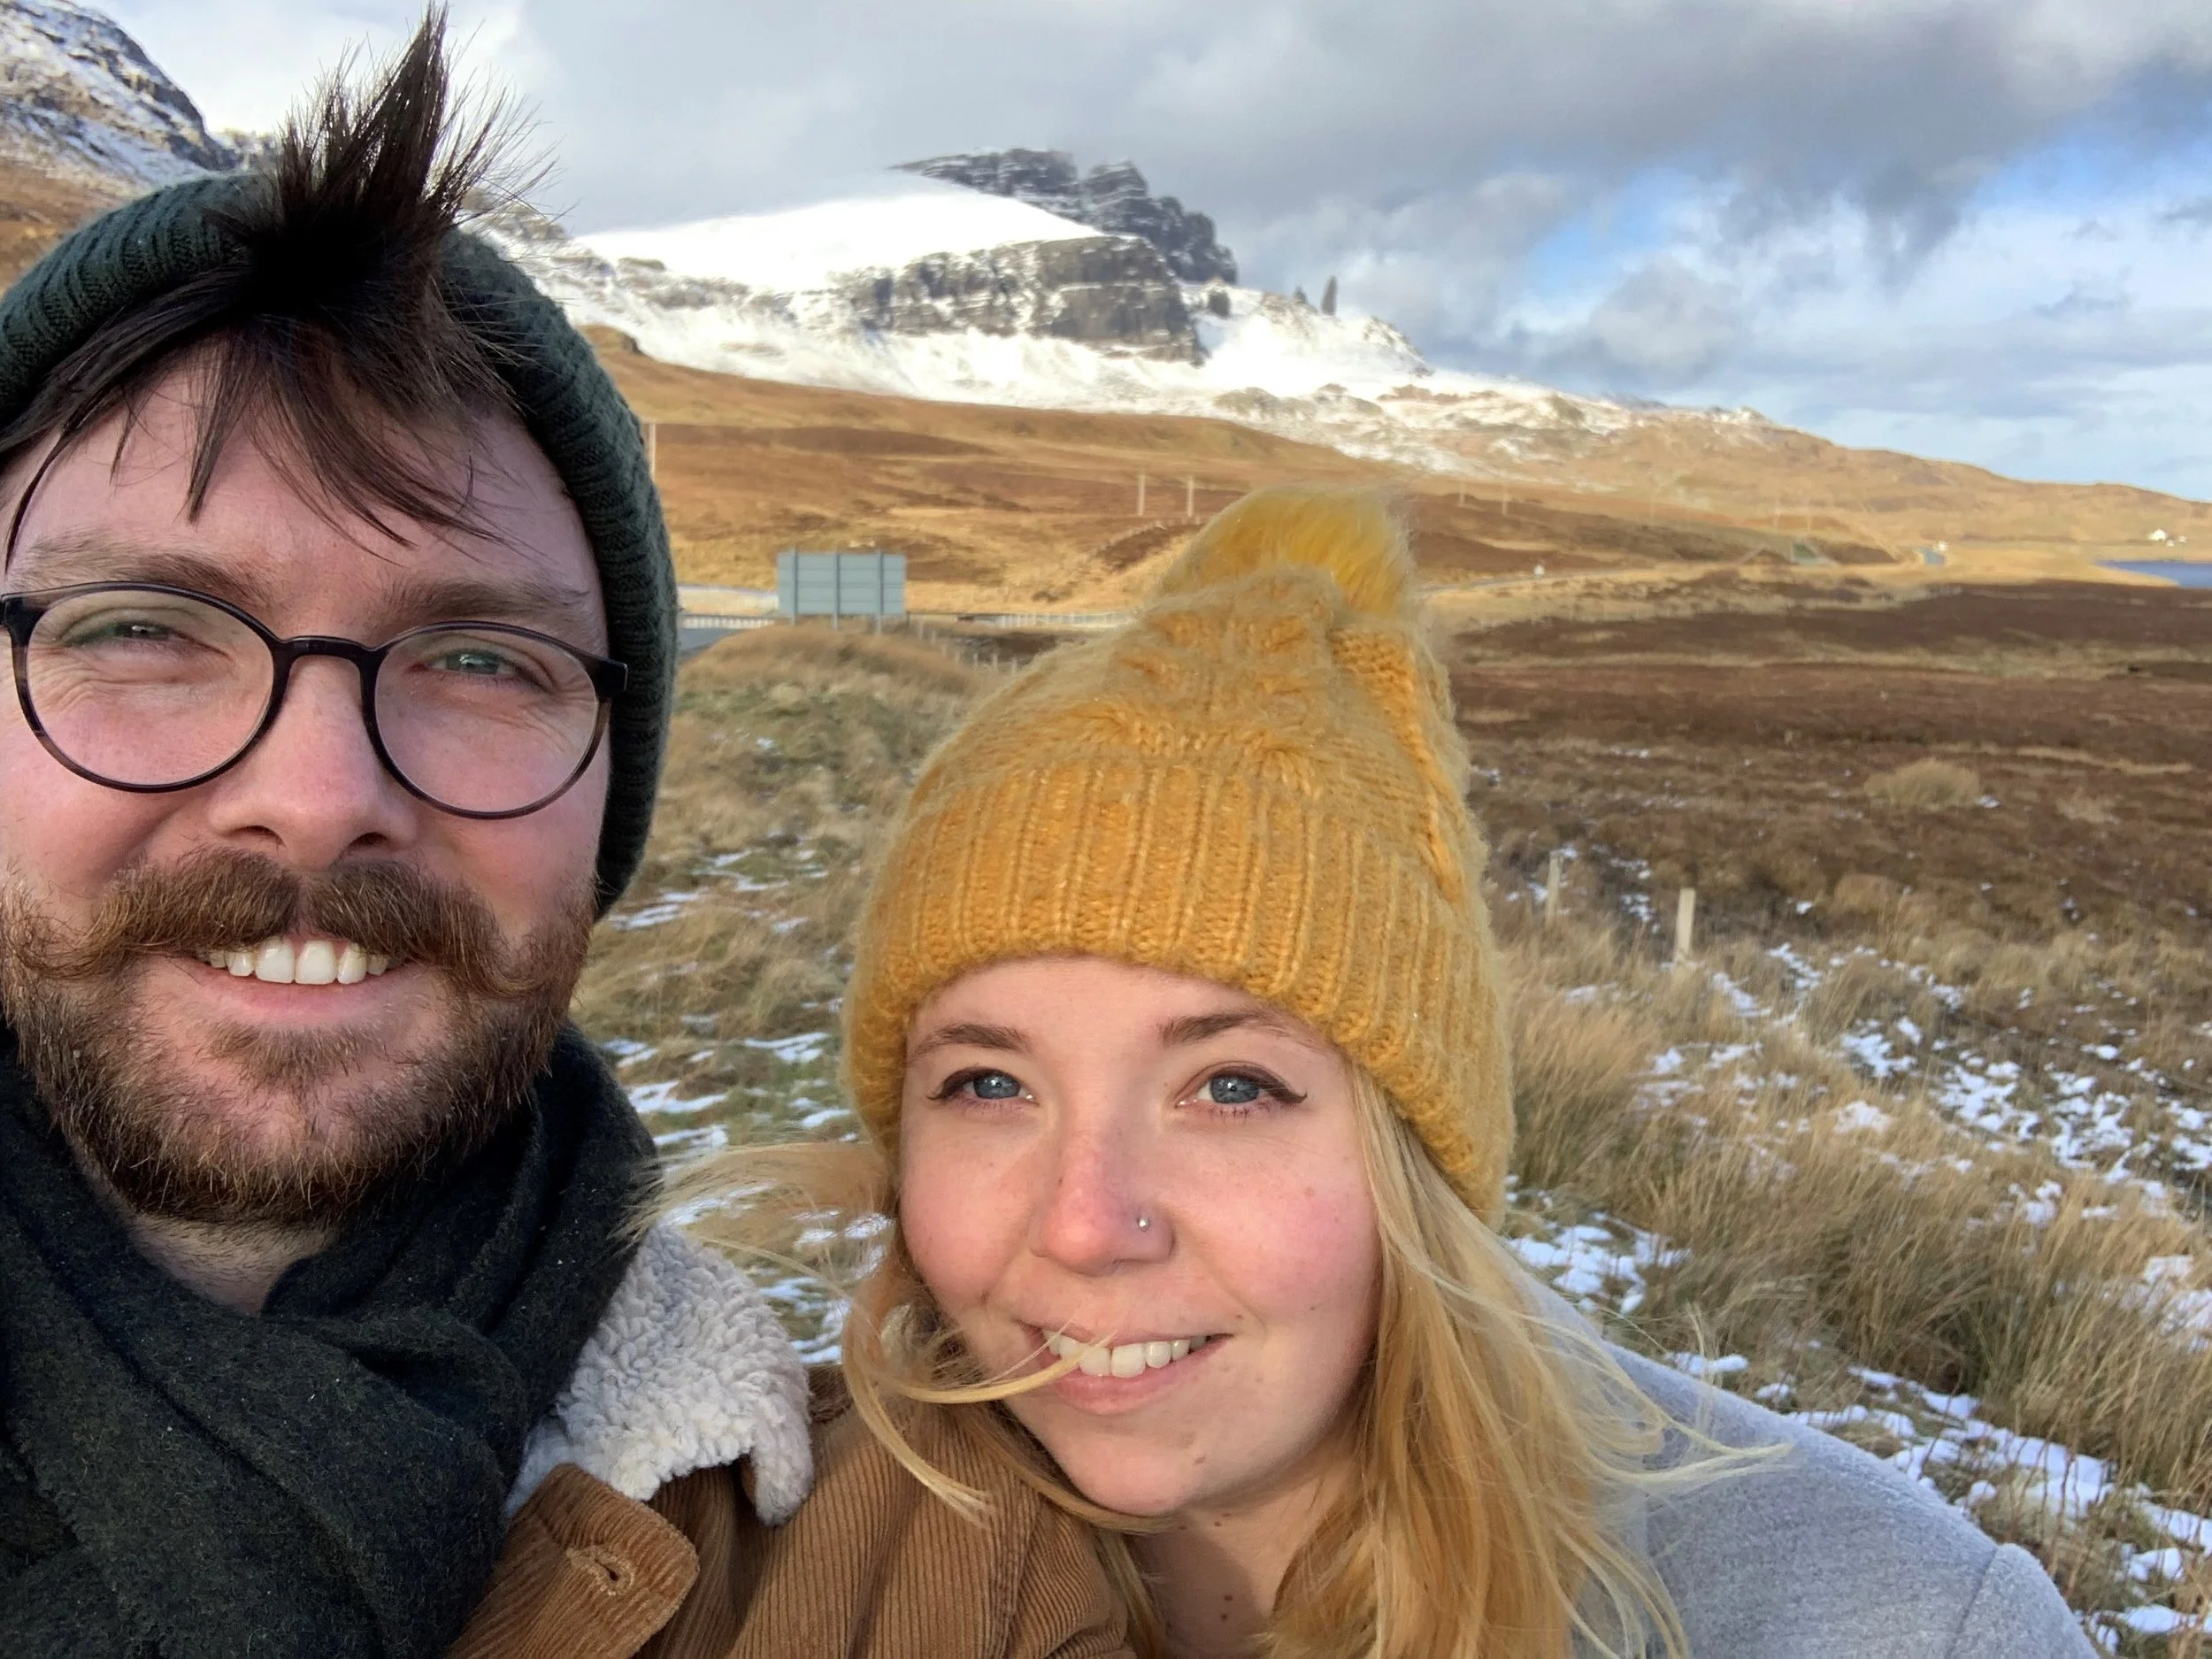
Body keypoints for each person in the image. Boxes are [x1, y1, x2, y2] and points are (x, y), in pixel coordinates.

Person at [677, 487, 2094, 1657]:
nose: (1084, 1222)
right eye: (990, 1084)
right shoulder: (723, 1572)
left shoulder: (1888, 1619)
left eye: (1231, 1085)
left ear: (1413, 1148)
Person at [0, 18, 818, 1657]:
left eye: (478, 660)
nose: (314, 794)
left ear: (607, 795)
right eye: (145, 630)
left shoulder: (860, 1551)